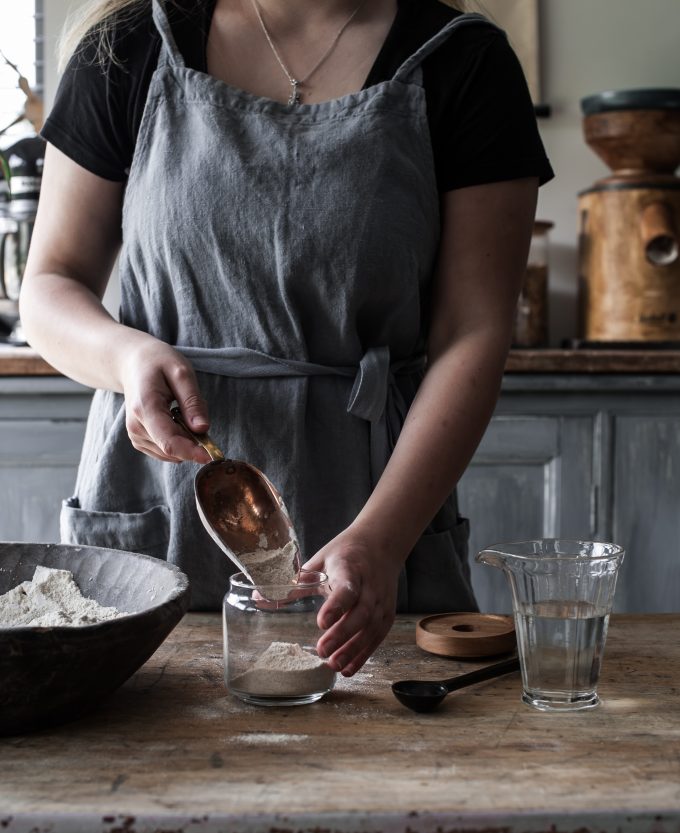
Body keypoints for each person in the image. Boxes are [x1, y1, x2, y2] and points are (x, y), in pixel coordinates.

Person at [19, 0, 553, 677]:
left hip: (378, 498)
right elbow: (49, 286)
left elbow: (472, 333)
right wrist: (127, 355)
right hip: (156, 496)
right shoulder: (127, 48)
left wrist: (383, 541)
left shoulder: (466, 65)